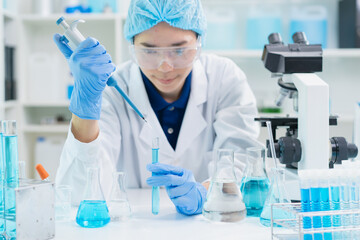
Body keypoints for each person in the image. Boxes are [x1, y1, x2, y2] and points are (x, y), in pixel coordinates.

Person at [54, 0, 261, 216]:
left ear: (200, 42)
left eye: (179, 50)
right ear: (132, 46)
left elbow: (245, 162)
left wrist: (207, 192)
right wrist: (84, 111)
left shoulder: (224, 77)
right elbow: (79, 194)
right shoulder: (111, 90)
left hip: (209, 226)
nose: (165, 66)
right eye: (150, 51)